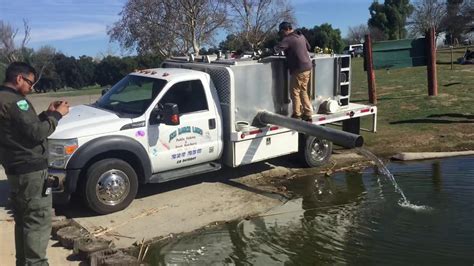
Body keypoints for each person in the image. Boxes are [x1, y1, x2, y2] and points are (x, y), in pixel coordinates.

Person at [0, 62, 69, 265]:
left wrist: (46, 114)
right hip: (30, 170)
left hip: (15, 169)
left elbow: (21, 129)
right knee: (37, 221)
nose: (32, 87)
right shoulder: (16, 102)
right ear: (19, 78)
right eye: (30, 82)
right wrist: (57, 115)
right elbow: (36, 133)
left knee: (24, 222)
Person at [274, 21, 313, 122]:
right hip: (308, 67)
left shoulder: (288, 39)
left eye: (282, 32)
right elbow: (309, 47)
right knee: (303, 91)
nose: (282, 35)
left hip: (298, 68)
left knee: (294, 92)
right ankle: (308, 113)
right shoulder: (301, 36)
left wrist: (263, 54)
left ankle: (297, 114)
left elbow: (276, 49)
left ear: (286, 30)